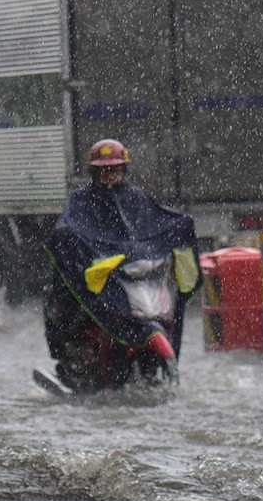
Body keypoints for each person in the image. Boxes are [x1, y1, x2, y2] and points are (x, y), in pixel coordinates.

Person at [44, 138, 197, 359]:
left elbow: (158, 221)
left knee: (171, 311)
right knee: (63, 299)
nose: (110, 176)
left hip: (134, 273)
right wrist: (73, 243)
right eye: (104, 171)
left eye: (114, 170)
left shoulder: (136, 198)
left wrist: (180, 227)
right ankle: (70, 351)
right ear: (93, 173)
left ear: (124, 170)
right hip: (98, 275)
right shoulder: (81, 200)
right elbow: (68, 228)